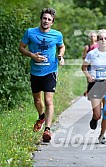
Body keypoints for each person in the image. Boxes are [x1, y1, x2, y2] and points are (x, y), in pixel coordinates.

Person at [18, 8, 65, 142]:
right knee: (37, 100)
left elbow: (61, 46)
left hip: (50, 71)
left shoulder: (57, 35)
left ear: (52, 22)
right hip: (35, 71)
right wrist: (32, 55)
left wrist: (60, 55)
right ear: (41, 19)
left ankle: (47, 130)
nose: (46, 21)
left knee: (48, 100)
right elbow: (21, 47)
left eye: (49, 19)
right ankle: (41, 116)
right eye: (44, 18)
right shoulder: (30, 32)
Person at [82, 29, 106, 144]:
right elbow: (84, 68)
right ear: (97, 41)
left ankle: (102, 135)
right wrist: (88, 76)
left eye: (105, 38)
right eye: (101, 39)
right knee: (98, 114)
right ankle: (95, 118)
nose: (103, 40)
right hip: (95, 84)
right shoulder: (91, 54)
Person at [82, 31, 98, 96]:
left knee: (97, 80)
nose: (92, 38)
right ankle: (90, 91)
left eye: (94, 36)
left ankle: (92, 92)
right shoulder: (87, 47)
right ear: (89, 38)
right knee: (90, 80)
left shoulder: (98, 46)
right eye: (91, 36)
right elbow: (83, 57)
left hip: (97, 66)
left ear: (96, 38)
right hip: (89, 66)